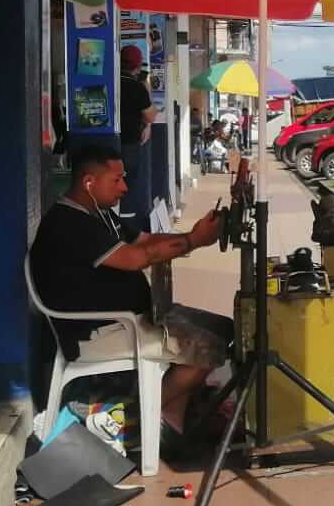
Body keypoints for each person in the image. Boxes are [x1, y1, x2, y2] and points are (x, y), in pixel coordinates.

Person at [30, 144, 229, 452]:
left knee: (224, 328)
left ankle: (169, 418)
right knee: (208, 348)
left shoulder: (100, 213)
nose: (125, 187)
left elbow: (146, 240)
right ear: (89, 182)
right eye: (117, 179)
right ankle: (136, 417)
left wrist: (194, 237)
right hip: (96, 332)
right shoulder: (69, 224)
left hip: (127, 321)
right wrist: (194, 239)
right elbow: (137, 258)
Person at [119, 46, 157, 223]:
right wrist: (147, 90)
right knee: (127, 187)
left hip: (105, 142)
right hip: (129, 145)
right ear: (137, 66)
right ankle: (125, 224)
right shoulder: (137, 88)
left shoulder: (110, 82)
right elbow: (150, 116)